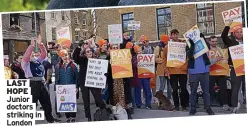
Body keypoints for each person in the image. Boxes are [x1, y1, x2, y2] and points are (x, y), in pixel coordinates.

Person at [21, 36, 61, 123]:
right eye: (31, 53)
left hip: (42, 83)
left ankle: (50, 120)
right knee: (32, 104)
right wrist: (31, 46)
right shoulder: (25, 62)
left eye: (33, 53)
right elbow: (27, 56)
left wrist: (40, 45)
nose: (33, 54)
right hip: (32, 84)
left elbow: (44, 54)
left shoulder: (38, 61)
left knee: (46, 103)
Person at [73, 45, 106, 122]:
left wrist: (104, 74)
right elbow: (75, 57)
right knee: (86, 100)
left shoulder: (96, 60)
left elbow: (102, 69)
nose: (89, 52)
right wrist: (79, 47)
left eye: (90, 51)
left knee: (98, 98)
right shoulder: (81, 60)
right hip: (83, 82)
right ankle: (88, 117)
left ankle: (104, 111)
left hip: (93, 82)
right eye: (87, 51)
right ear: (85, 54)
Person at [187, 33, 215, 115]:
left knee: (206, 92)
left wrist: (202, 38)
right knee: (193, 92)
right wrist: (192, 44)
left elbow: (208, 48)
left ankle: (208, 108)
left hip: (204, 71)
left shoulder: (205, 44)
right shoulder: (188, 44)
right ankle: (193, 108)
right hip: (193, 72)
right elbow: (189, 55)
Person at [221, 20, 245, 113]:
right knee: (235, 87)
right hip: (235, 68)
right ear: (234, 33)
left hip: (245, 67)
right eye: (237, 32)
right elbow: (223, 36)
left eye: (241, 32)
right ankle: (234, 106)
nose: (239, 33)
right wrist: (227, 26)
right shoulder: (231, 42)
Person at [162, 29, 189, 111]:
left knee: (183, 89)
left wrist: (186, 67)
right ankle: (176, 105)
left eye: (176, 34)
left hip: (182, 71)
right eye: (173, 34)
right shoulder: (167, 47)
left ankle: (184, 105)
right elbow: (164, 59)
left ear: (178, 35)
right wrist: (167, 71)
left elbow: (187, 57)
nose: (175, 36)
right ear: (171, 36)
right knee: (174, 90)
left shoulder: (184, 45)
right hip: (172, 71)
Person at [55, 49, 79, 123]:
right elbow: (56, 78)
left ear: (68, 55)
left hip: (72, 88)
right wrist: (57, 88)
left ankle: (73, 117)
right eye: (63, 56)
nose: (65, 57)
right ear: (60, 57)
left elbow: (77, 77)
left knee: (72, 102)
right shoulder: (58, 66)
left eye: (66, 55)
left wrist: (77, 87)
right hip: (63, 89)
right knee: (64, 103)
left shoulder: (73, 65)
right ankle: (68, 117)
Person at [208, 35, 230, 110]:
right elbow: (207, 63)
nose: (214, 43)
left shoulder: (220, 50)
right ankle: (208, 104)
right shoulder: (207, 51)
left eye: (216, 41)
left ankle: (225, 104)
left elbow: (225, 60)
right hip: (211, 73)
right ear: (209, 42)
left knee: (223, 88)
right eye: (213, 41)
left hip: (221, 72)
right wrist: (216, 59)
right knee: (209, 89)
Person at [136, 36, 153, 109]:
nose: (145, 42)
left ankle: (148, 103)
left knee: (147, 89)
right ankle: (138, 104)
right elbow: (134, 46)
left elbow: (153, 61)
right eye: (144, 41)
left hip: (147, 72)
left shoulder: (152, 48)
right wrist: (139, 40)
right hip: (140, 72)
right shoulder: (140, 48)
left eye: (146, 41)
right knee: (138, 90)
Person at [155, 34, 172, 99]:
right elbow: (155, 59)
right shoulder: (158, 48)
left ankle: (169, 98)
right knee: (162, 85)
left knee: (170, 86)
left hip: (169, 69)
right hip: (161, 69)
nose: (168, 41)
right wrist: (163, 60)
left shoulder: (169, 47)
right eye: (167, 40)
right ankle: (160, 99)